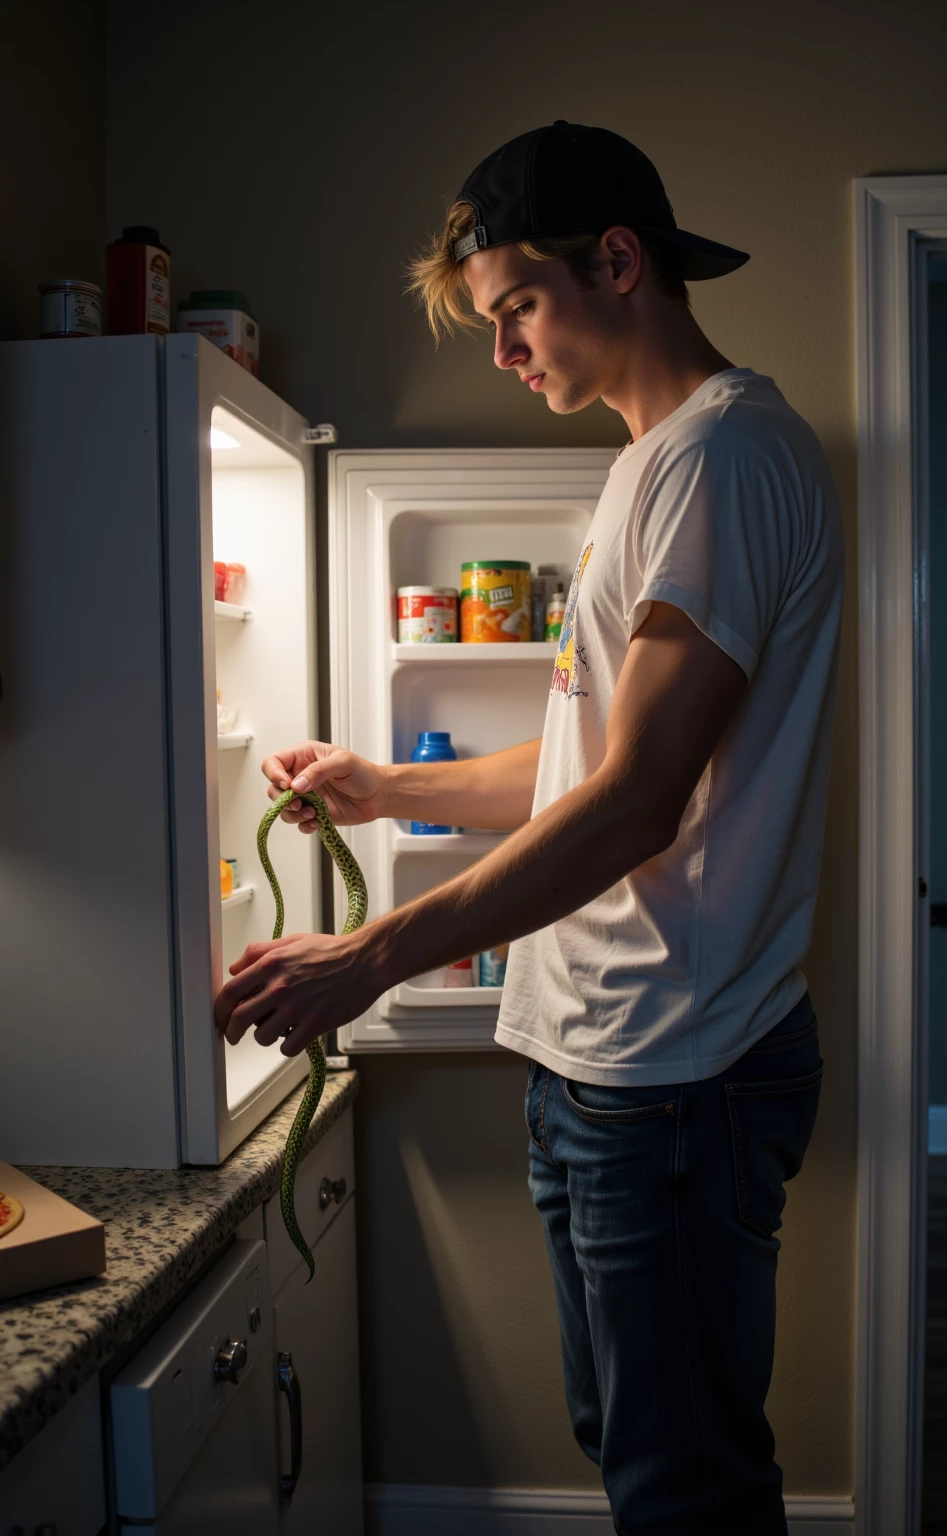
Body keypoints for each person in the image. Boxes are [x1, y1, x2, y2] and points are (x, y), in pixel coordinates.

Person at [214, 120, 844, 1534]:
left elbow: (632, 806)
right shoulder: (653, 467)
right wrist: (392, 787)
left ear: (617, 262)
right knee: (634, 1445)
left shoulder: (720, 461)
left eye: (517, 311)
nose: (504, 351)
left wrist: (370, 954)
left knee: (682, 1485)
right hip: (613, 1065)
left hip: (675, 1074)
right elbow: (590, 763)